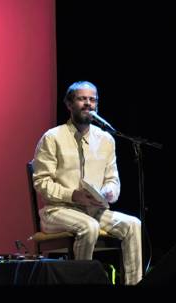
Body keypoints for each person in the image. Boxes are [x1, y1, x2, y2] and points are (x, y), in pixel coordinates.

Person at [32, 81, 142, 285]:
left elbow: (113, 181)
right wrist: (73, 195)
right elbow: (41, 182)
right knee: (89, 226)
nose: (88, 104)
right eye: (82, 99)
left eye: (93, 100)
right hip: (57, 211)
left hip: (93, 209)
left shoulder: (106, 139)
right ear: (69, 103)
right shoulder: (52, 137)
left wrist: (107, 193)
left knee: (133, 224)